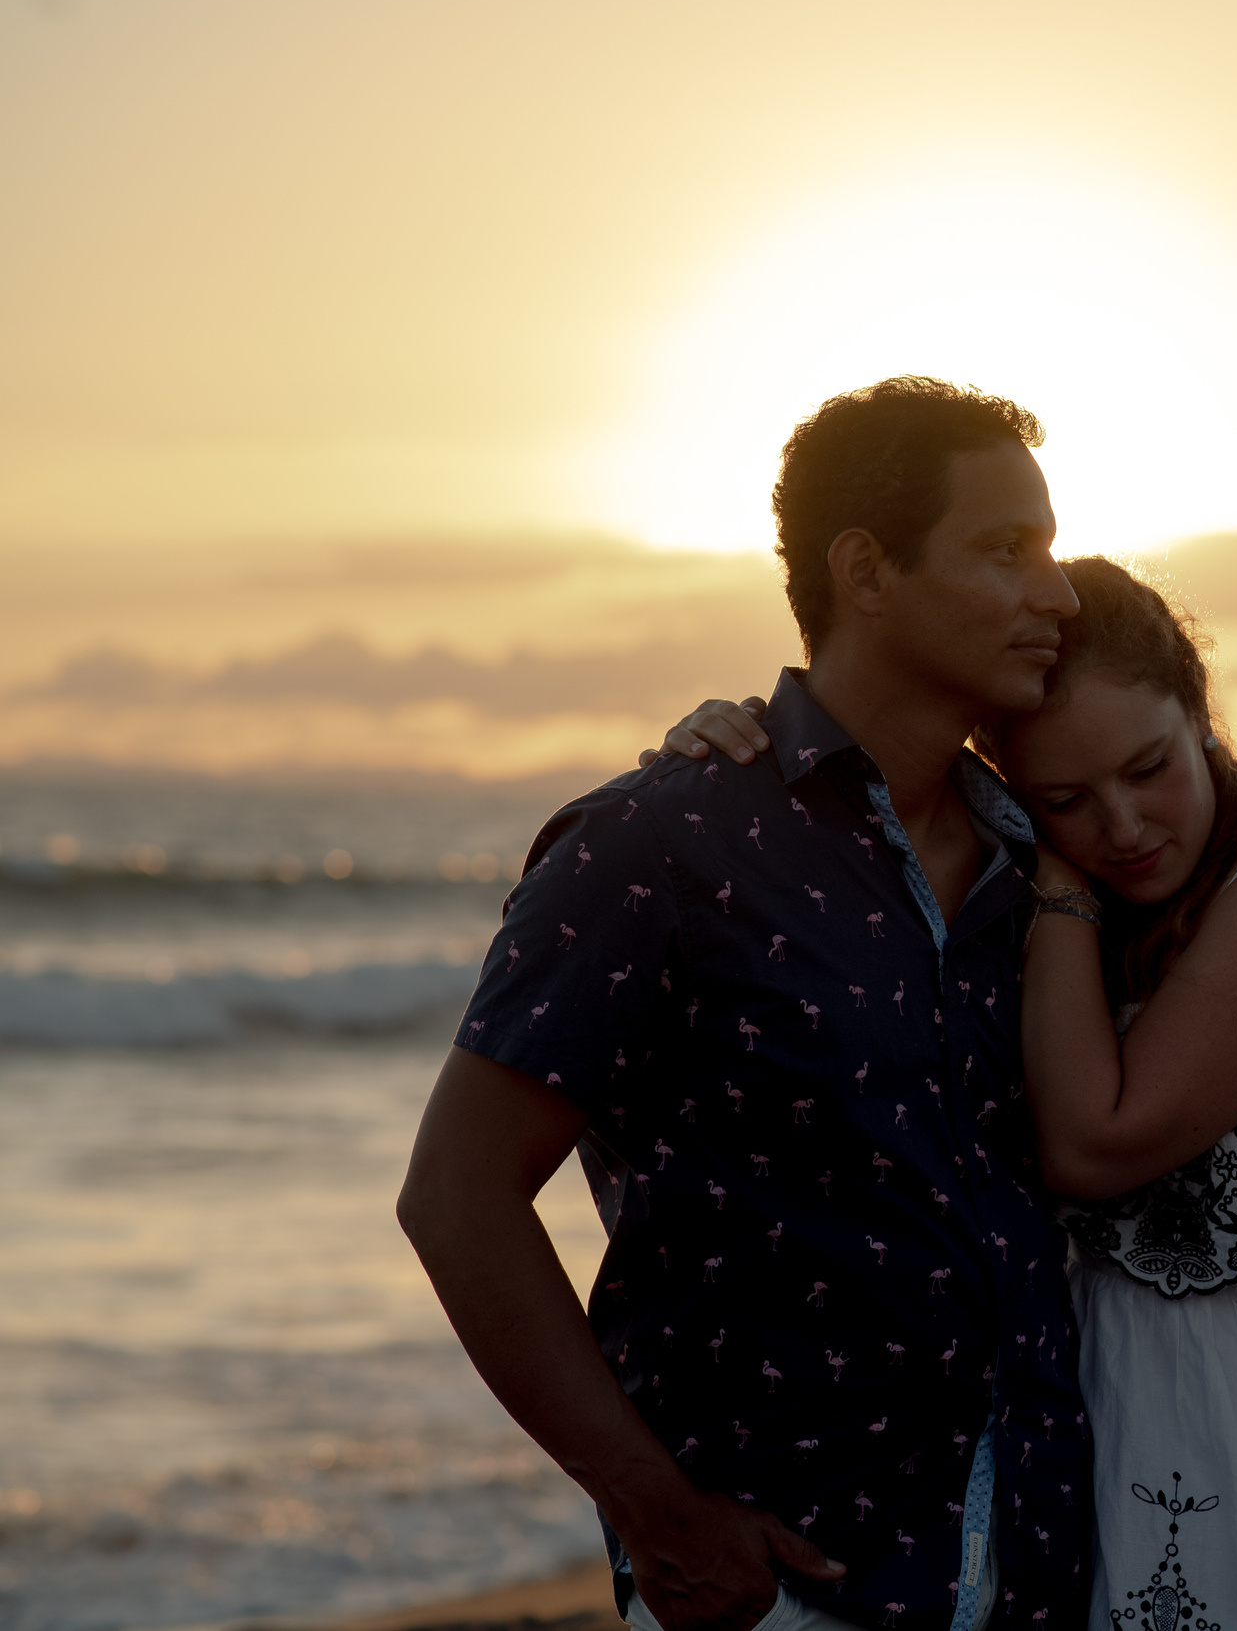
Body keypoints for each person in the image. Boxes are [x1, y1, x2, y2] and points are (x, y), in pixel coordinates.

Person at [660, 560, 1237, 1631]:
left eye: (1147, 767)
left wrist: (1056, 875)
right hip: (1130, 1461)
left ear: (1201, 713)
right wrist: (745, 752)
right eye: (1064, 798)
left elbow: (1093, 1144)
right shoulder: (1062, 923)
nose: (1121, 824)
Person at [397, 378, 1094, 1631]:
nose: (1058, 592)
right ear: (866, 570)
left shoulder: (1050, 863)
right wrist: (655, 1509)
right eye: (1006, 550)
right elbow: (455, 1194)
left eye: (1048, 549)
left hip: (1045, 1562)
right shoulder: (658, 843)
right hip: (788, 1582)